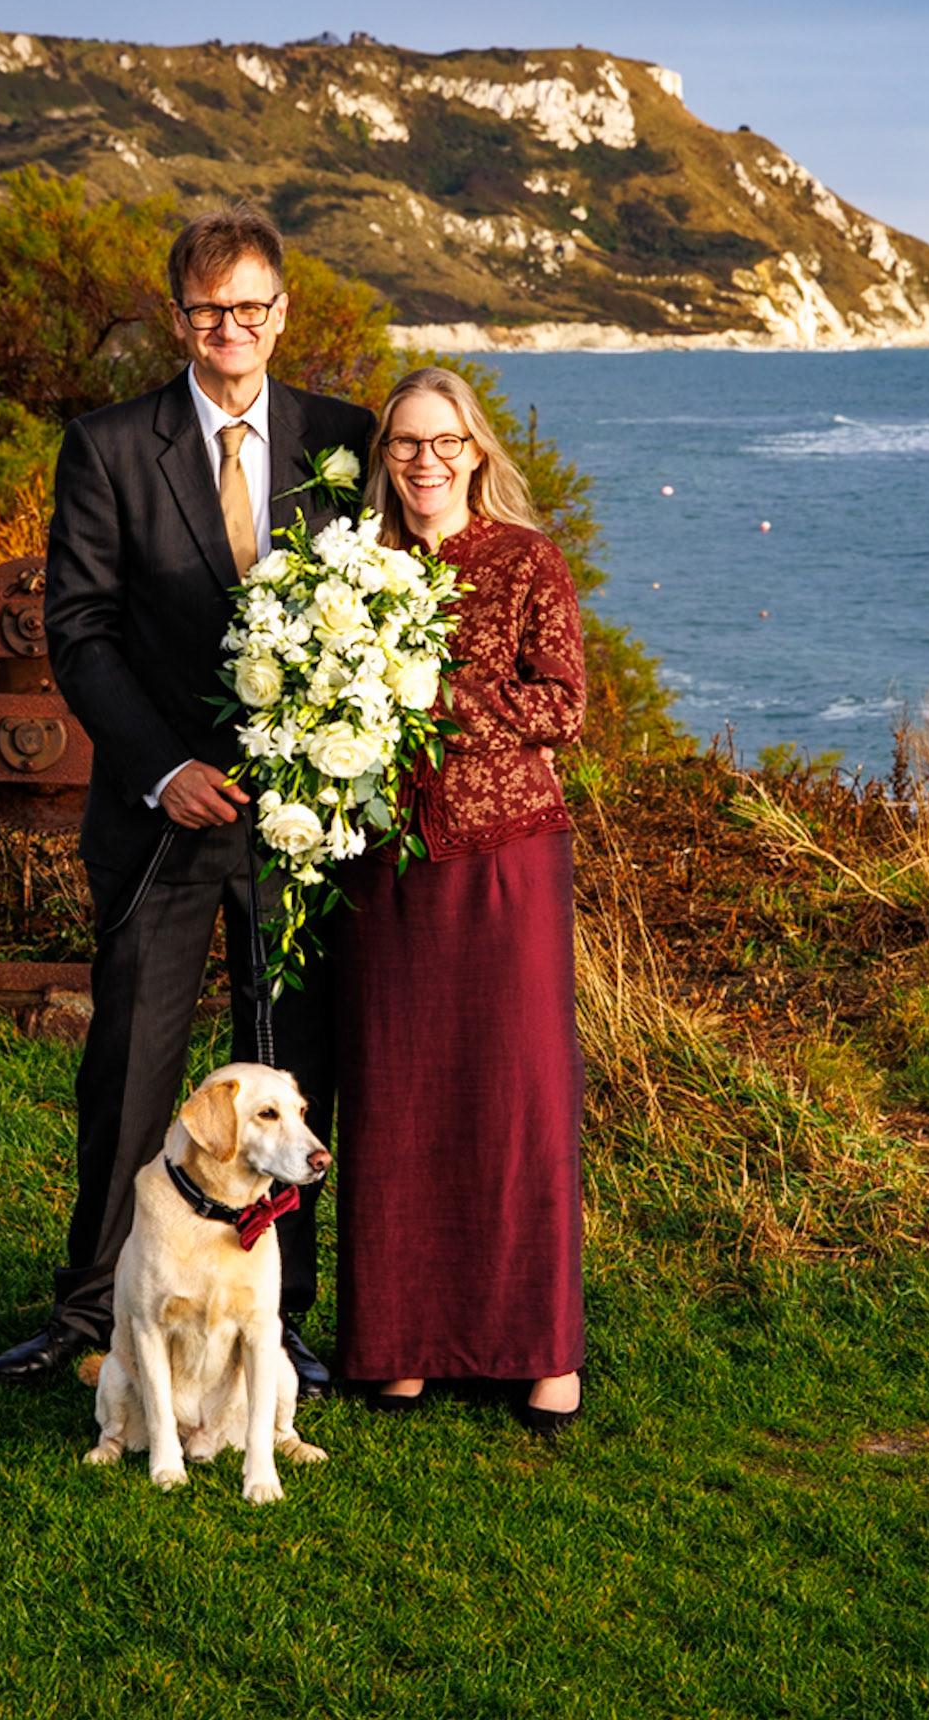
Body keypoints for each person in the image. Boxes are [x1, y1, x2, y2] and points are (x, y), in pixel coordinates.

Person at [0, 205, 375, 1391]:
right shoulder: (110, 446)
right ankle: (90, 1310)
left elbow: (375, 608)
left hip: (298, 826)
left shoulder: (341, 439)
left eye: (251, 306)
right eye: (210, 310)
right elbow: (81, 626)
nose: (231, 328)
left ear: (282, 312)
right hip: (160, 817)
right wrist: (165, 767)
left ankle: (279, 1317)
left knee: (288, 1075)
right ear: (178, 318)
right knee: (130, 1071)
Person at [332, 367, 587, 1433]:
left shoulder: (526, 558)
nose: (424, 460)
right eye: (404, 443)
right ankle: (398, 1343)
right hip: (383, 859)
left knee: (517, 1093)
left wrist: (436, 689)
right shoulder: (353, 564)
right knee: (395, 1093)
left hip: (504, 857)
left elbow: (562, 707)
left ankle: (543, 1353)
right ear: (383, 457)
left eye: (445, 442)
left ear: (476, 452)